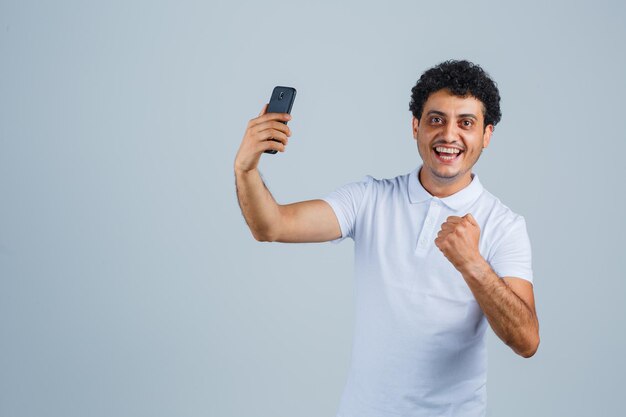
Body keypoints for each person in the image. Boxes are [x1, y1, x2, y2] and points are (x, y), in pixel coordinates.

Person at [234, 60, 539, 417]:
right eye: (436, 119)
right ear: (416, 127)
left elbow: (526, 341)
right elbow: (271, 226)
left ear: (487, 135)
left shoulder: (504, 225)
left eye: (466, 123)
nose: (449, 135)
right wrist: (245, 168)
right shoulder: (370, 200)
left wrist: (473, 264)